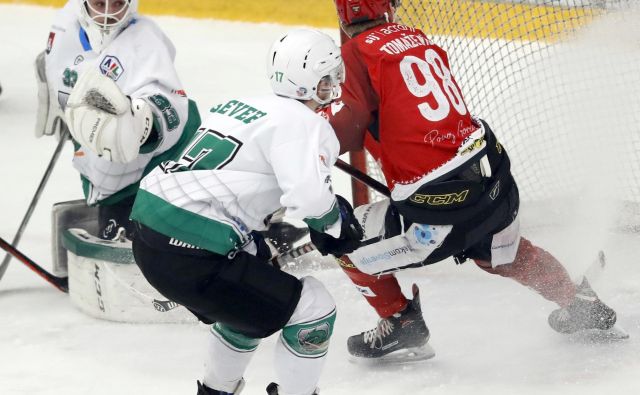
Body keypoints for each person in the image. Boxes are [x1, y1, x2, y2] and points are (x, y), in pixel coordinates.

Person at [324, 0, 621, 362]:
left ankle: (401, 321)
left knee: (341, 237)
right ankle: (578, 300)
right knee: (501, 253)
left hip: (438, 212)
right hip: (492, 184)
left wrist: (311, 138)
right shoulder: (415, 38)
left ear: (344, 13)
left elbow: (352, 126)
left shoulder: (356, 51)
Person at [130, 28, 362, 395]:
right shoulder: (305, 123)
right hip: (194, 252)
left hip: (147, 234)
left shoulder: (238, 106)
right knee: (314, 307)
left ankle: (215, 391)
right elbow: (309, 197)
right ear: (311, 81)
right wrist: (334, 223)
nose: (333, 83)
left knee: (251, 293)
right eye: (327, 76)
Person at [36, 0, 201, 242]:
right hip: (103, 166)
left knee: (146, 251)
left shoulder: (144, 41)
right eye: (99, 2)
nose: (106, 13)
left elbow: (168, 106)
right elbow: (52, 61)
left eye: (116, 4)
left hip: (154, 168)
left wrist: (144, 126)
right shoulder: (65, 25)